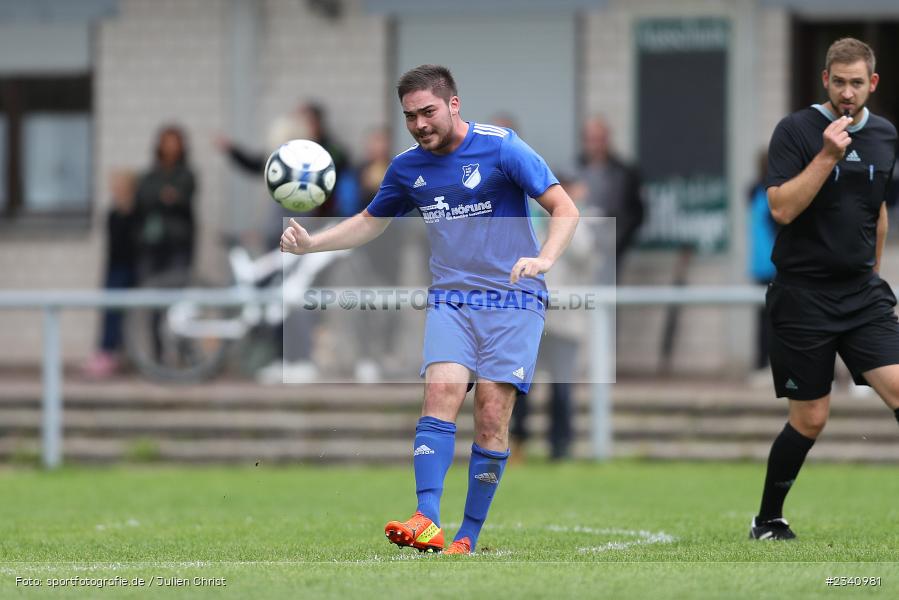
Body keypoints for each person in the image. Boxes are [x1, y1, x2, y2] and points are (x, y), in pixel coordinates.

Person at [280, 64, 579, 554]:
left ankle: (469, 535)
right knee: (440, 392)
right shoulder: (406, 168)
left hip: (514, 298)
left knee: (491, 414)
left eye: (427, 112)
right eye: (409, 116)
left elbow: (565, 208)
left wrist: (544, 258)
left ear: (453, 104)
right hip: (451, 299)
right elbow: (370, 221)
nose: (419, 124)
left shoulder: (502, 147)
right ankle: (427, 519)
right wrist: (312, 244)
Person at [751, 38, 899, 541]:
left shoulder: (885, 135)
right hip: (802, 296)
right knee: (811, 419)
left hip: (861, 295)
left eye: (857, 83)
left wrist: (874, 273)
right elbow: (781, 208)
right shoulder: (795, 131)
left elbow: (877, 210)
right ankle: (768, 519)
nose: (847, 93)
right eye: (839, 82)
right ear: (825, 80)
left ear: (872, 83)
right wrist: (827, 155)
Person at [82, 169, 140, 379]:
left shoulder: (137, 213)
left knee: (123, 315)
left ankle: (116, 354)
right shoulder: (112, 214)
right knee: (110, 312)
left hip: (130, 268)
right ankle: (106, 353)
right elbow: (114, 244)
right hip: (114, 267)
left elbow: (134, 243)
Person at [578, 116, 644, 269]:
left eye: (600, 139)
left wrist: (618, 242)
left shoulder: (625, 173)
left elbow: (635, 213)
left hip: (612, 248)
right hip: (580, 251)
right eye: (591, 139)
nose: (596, 145)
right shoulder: (573, 171)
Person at [135, 125, 196, 281]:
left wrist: (169, 197)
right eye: (167, 142)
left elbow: (182, 198)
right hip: (152, 243)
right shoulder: (150, 176)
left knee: (176, 285)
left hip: (178, 244)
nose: (171, 147)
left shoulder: (186, 175)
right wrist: (164, 196)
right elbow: (143, 199)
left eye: (174, 143)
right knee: (150, 286)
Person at [746, 150, 777, 385]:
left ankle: (762, 364)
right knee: (770, 320)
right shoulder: (765, 193)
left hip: (762, 264)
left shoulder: (753, 192)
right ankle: (764, 365)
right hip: (772, 265)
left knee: (765, 319)